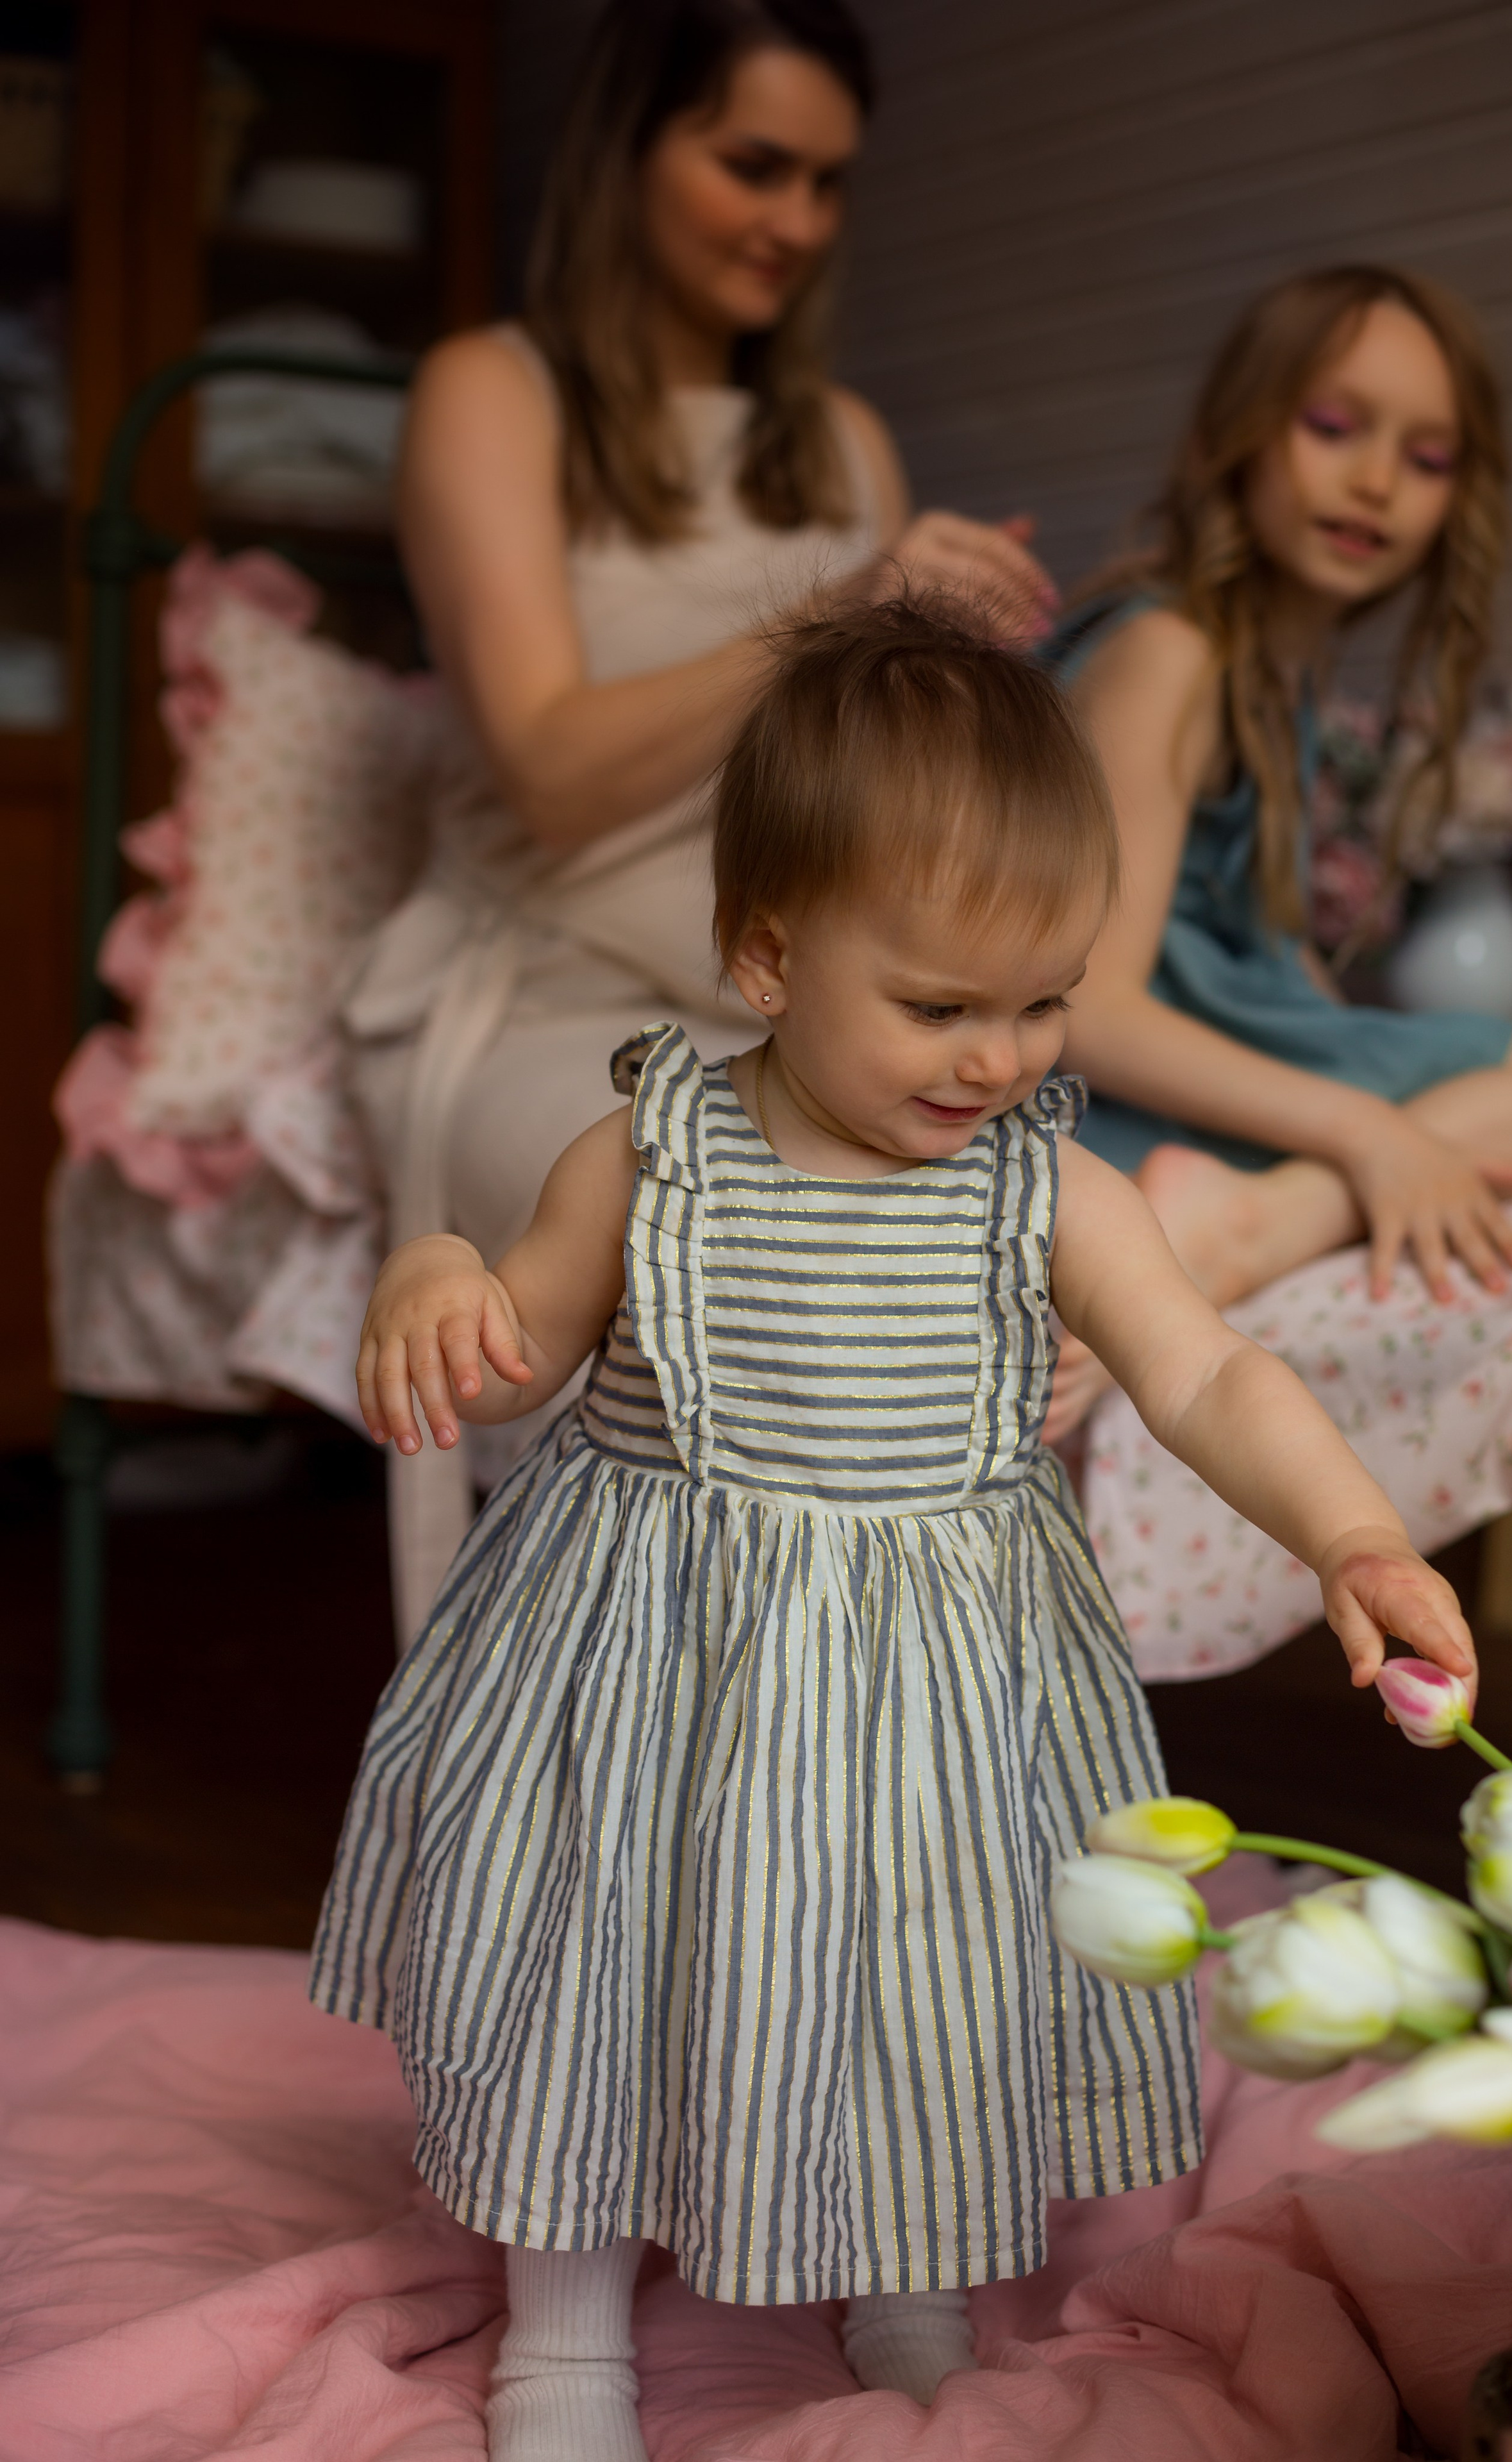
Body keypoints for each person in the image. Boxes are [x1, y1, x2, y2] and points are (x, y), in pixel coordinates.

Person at [312, 599, 1479, 2462]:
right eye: (938, 1006)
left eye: (1042, 1001)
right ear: (770, 954)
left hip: (936, 1686)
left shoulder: (1051, 1190)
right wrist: (434, 1275)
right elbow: (518, 1350)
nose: (997, 1056)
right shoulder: (653, 1153)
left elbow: (1208, 1376)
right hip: (654, 1663)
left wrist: (1352, 1532)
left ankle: (907, 2266)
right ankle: (566, 2319)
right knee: (609, 1965)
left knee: (919, 1959)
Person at [351, 0, 1055, 1625]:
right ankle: (626, 1737)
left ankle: (896, 1740)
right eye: (754, 166)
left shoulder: (842, 439)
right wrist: (839, 615)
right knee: (713, 1264)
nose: (793, 224)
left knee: (979, 1240)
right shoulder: (491, 392)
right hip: (543, 990)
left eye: (825, 184)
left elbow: (876, 785)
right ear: (626, 146)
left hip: (802, 996)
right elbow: (545, 767)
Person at [1045, 264, 1512, 1430]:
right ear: (1238, 434)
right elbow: (1087, 1006)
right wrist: (1366, 1130)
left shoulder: (1276, 675)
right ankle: (1242, 1225)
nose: (1376, 482)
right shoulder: (1172, 651)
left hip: (1208, 1053)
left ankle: (1279, 1209)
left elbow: (1251, 949)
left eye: (1428, 459)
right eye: (1333, 428)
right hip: (1107, 1105)